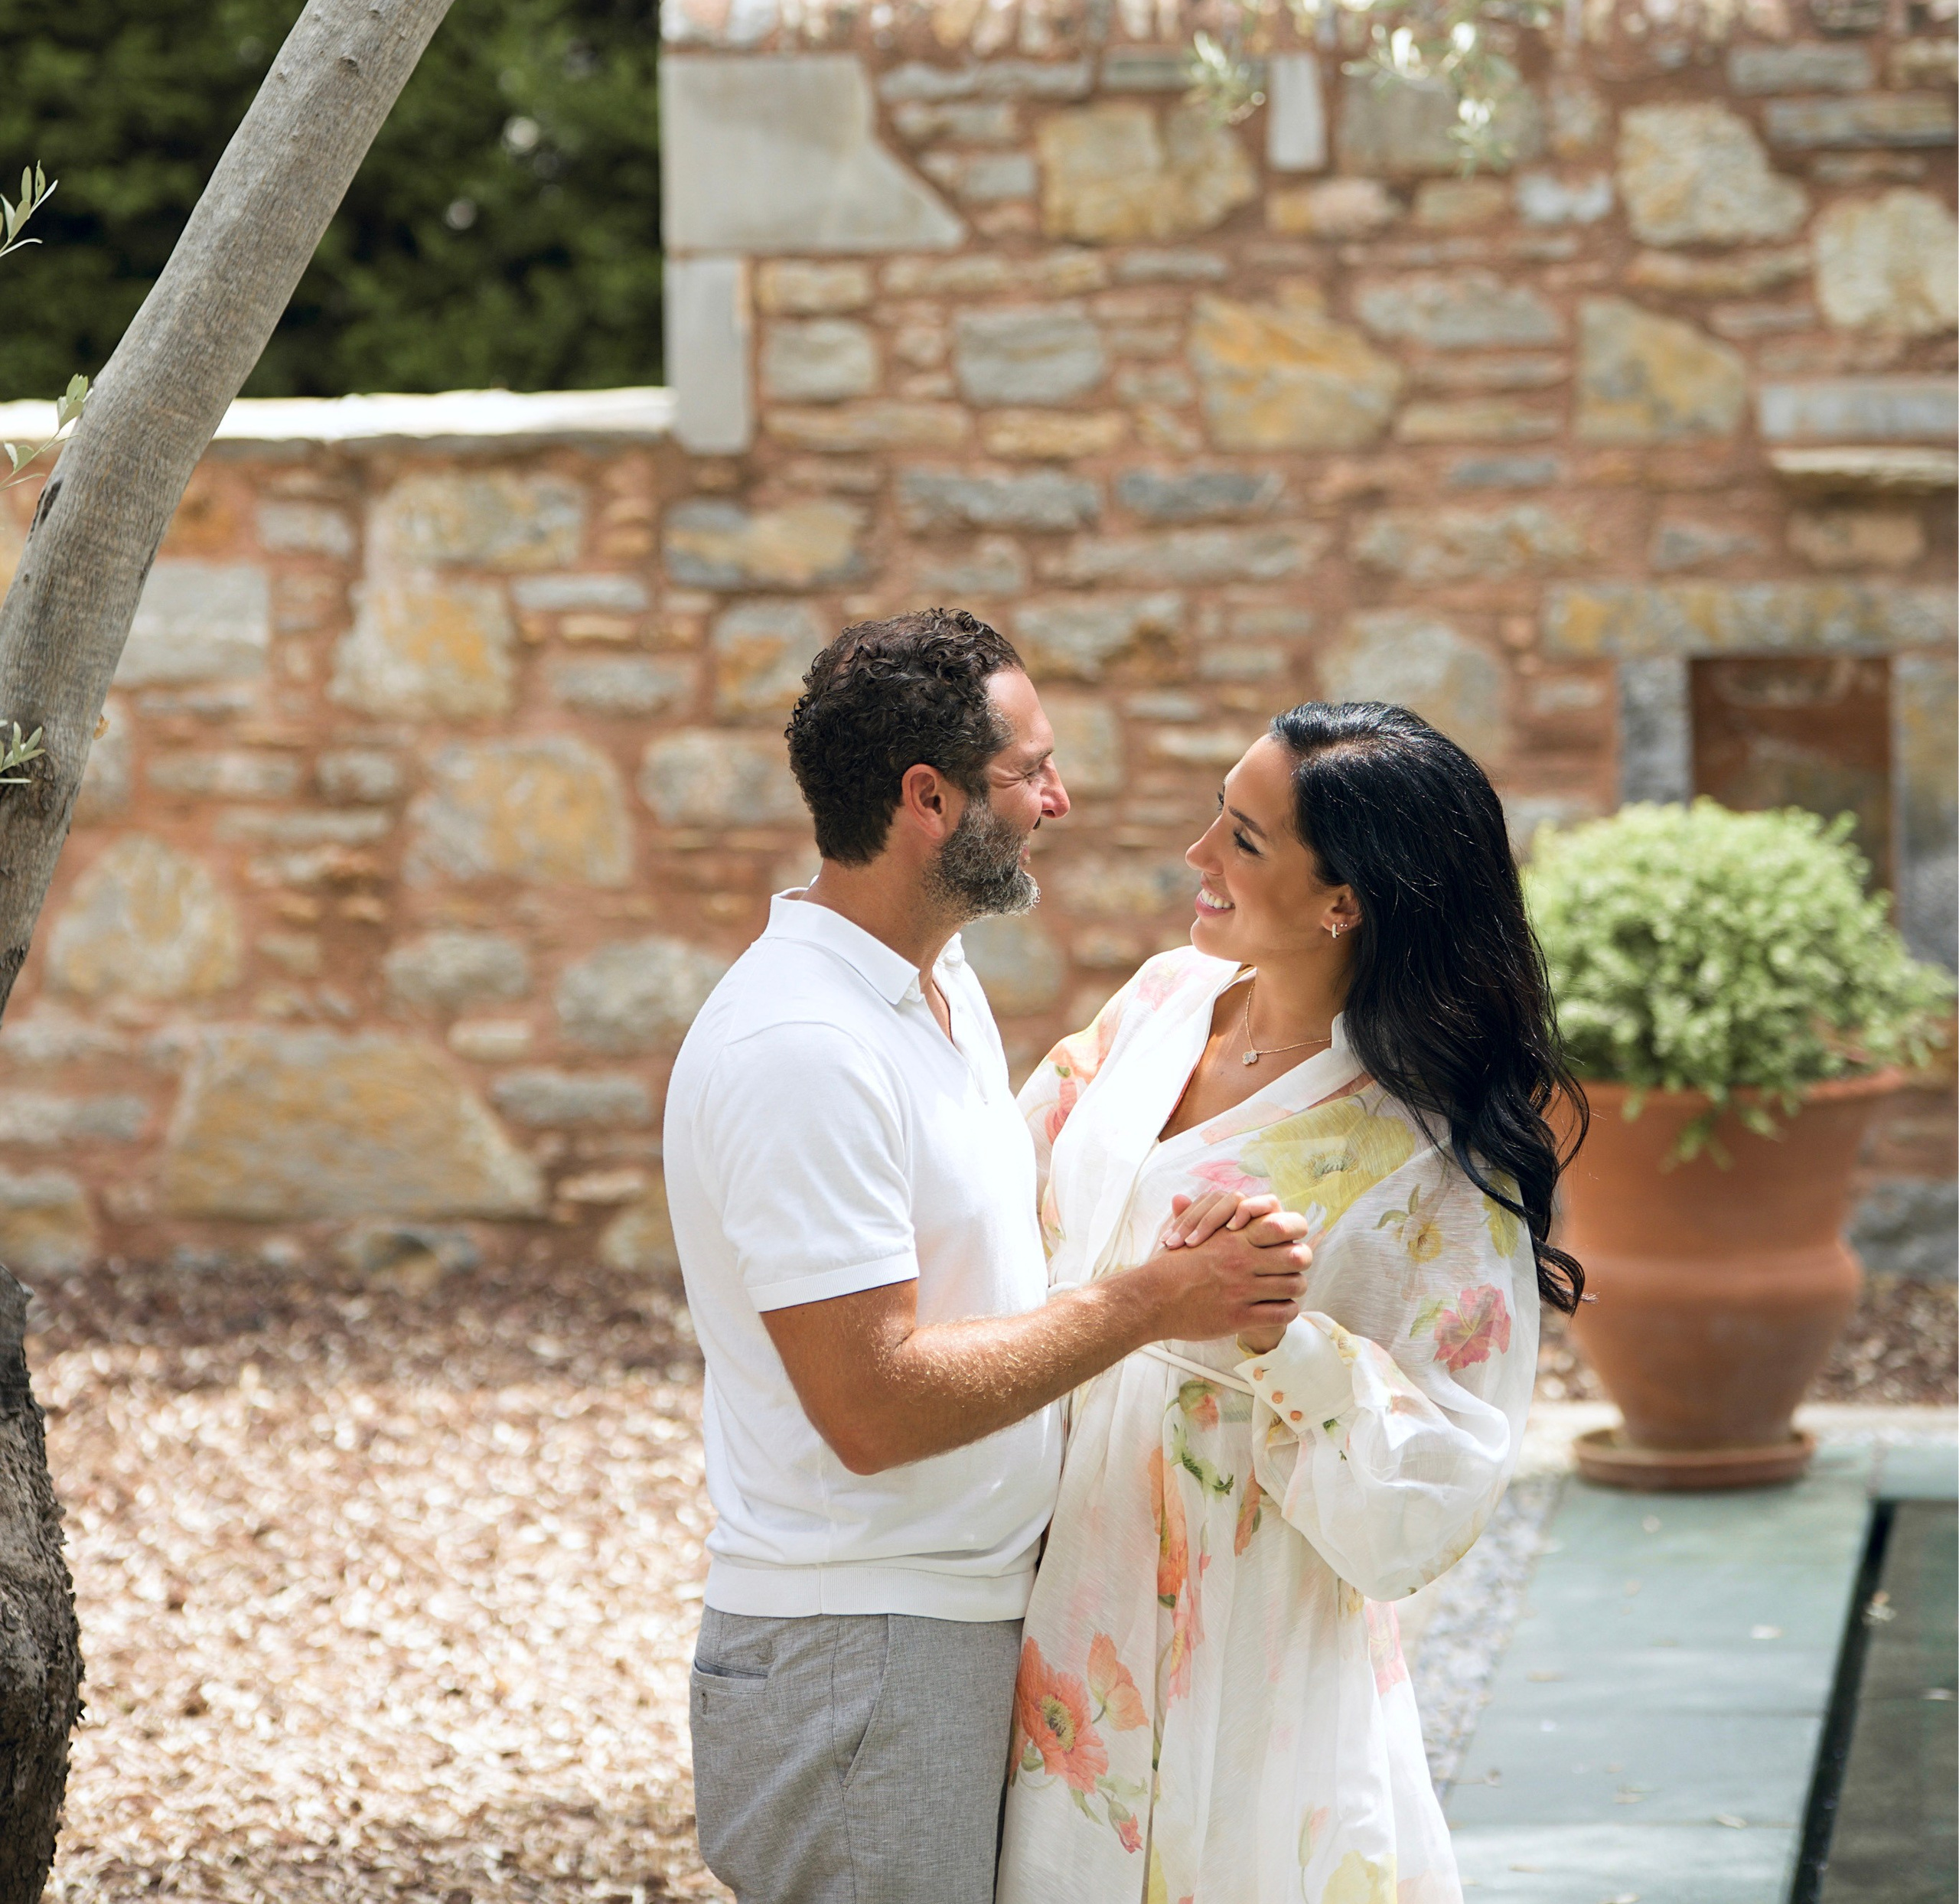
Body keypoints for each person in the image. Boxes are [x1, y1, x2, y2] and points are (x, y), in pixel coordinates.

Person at [662, 610, 1312, 1904]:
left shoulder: (933, 993)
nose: (1057, 800)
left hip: (942, 1630)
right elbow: (875, 1399)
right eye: (1031, 771)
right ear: (928, 795)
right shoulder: (803, 1049)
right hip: (860, 1655)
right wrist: (1155, 1301)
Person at [997, 699, 1587, 1904]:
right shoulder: (1160, 1001)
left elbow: (1439, 1484)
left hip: (1238, 1626)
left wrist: (1279, 1339)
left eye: (1245, 839)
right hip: (1030, 1564)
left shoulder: (1422, 1150)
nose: (1198, 855)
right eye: (1220, 812)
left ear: (1344, 900)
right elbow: (1008, 1190)